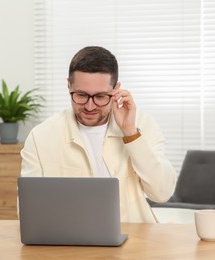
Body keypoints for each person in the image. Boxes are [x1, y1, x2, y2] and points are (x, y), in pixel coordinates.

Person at [20, 46, 177, 223]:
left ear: (116, 90)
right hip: (69, 242)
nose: (89, 106)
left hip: (136, 240)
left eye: (101, 97)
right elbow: (28, 210)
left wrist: (130, 134)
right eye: (81, 95)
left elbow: (162, 193)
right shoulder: (41, 136)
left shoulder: (142, 125)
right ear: (68, 86)